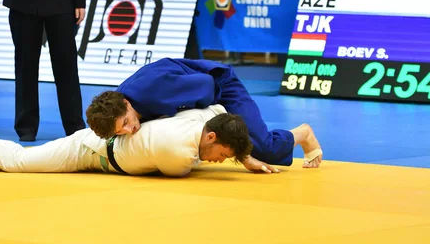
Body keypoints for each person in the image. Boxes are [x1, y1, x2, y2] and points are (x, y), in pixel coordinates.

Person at [85, 57, 323, 169]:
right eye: (122, 130)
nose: (130, 130)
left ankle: (302, 133)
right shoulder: (116, 108)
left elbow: (207, 86)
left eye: (127, 122)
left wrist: (239, 148)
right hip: (194, 93)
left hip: (220, 86)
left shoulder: (155, 91)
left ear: (127, 104)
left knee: (261, 148)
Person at [0, 105, 274, 177]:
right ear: (209, 137)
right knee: (21, 162)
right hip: (88, 151)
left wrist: (242, 155)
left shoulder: (203, 118)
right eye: (221, 154)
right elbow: (189, 167)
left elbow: (221, 112)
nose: (216, 160)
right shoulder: (178, 154)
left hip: (104, 151)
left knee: (21, 161)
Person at [1, 0, 87, 142]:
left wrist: (79, 0)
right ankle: (26, 127)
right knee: (25, 66)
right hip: (22, 0)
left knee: (66, 66)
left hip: (59, 0)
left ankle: (75, 126)